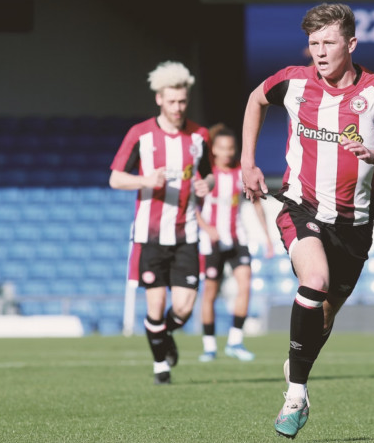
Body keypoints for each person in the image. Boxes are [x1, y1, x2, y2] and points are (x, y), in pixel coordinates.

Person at [241, 3, 374, 439]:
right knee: (315, 278)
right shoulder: (292, 81)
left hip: (355, 224)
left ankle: (297, 366)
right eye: (313, 43)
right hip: (300, 205)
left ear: (351, 44)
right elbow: (254, 99)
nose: (319, 51)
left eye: (329, 42)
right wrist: (247, 163)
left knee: (322, 317)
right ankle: (296, 396)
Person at [110, 61, 214, 385]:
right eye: (171, 102)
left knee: (182, 308)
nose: (178, 108)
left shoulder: (199, 135)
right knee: (155, 305)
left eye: (182, 101)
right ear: (159, 99)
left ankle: (164, 336)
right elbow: (115, 179)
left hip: (186, 233)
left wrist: (206, 185)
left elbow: (209, 172)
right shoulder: (140, 134)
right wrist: (145, 179)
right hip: (150, 234)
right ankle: (160, 367)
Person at [196, 123, 274, 363]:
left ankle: (235, 342)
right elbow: (192, 207)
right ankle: (209, 346)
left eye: (231, 148)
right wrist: (207, 228)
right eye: (222, 148)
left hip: (238, 239)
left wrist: (268, 238)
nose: (227, 152)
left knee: (245, 285)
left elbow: (257, 204)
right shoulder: (208, 175)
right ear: (215, 150)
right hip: (212, 243)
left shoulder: (242, 173)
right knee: (209, 293)